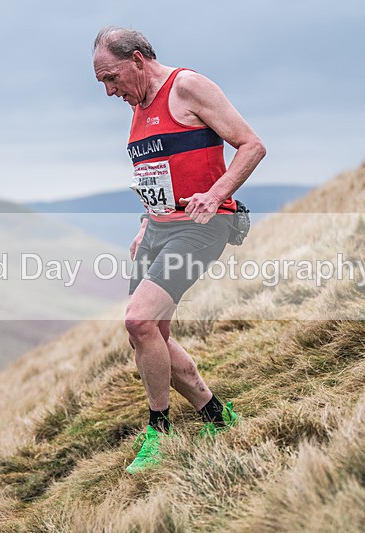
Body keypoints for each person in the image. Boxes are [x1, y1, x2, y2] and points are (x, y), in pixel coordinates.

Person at [92, 26, 266, 474]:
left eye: (111, 78)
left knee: (138, 319)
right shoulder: (137, 109)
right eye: (102, 84)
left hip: (203, 226)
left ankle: (160, 432)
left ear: (137, 59)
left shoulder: (186, 86)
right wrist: (145, 223)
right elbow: (158, 178)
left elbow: (252, 145)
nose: (110, 92)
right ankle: (216, 416)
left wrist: (217, 192)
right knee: (150, 336)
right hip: (158, 230)